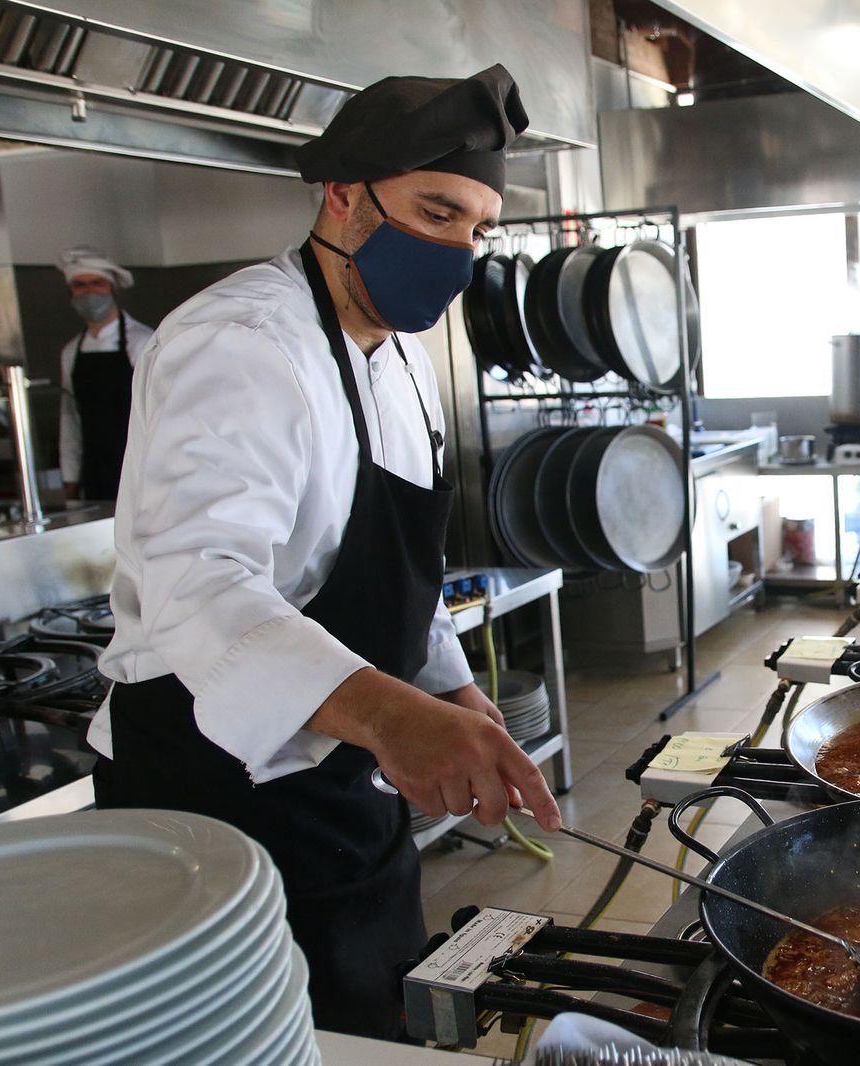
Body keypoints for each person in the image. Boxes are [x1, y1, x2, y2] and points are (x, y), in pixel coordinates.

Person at [86, 65, 562, 1040]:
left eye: (474, 229)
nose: (456, 251)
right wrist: (391, 712)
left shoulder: (403, 361)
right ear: (344, 194)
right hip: (213, 791)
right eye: (435, 212)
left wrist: (449, 692)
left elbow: (399, 577)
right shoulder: (241, 340)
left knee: (378, 1012)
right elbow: (199, 580)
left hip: (344, 775)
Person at [56, 246, 150, 501]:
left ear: (112, 288)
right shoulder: (71, 352)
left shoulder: (143, 343)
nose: (89, 292)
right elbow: (71, 418)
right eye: (80, 285)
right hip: (94, 474)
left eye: (97, 283)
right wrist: (71, 479)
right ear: (71, 292)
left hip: (140, 471)